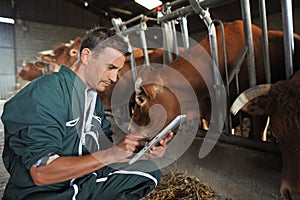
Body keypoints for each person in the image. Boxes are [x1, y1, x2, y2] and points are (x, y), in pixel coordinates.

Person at [1, 27, 173, 200]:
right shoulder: (47, 92)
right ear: (86, 56)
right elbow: (41, 173)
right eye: (110, 67)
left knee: (148, 172)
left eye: (117, 70)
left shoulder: (92, 99)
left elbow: (102, 152)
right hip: (43, 194)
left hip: (77, 183)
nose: (114, 78)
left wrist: (140, 152)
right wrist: (112, 154)